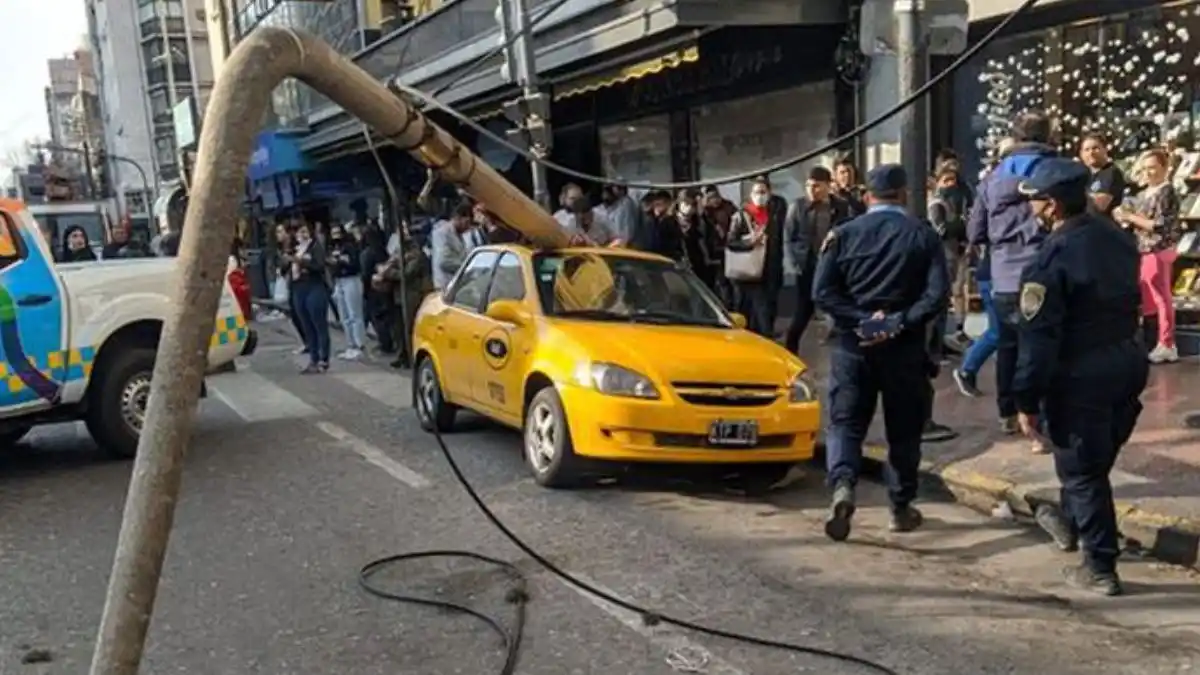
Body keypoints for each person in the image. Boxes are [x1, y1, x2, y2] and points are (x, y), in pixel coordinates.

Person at [1010, 158, 1147, 596]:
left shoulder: (1049, 259)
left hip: (1081, 371)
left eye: (1034, 200)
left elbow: (1038, 340)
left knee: (1083, 470)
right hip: (1127, 359)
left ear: (1051, 205)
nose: (1030, 208)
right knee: (1094, 459)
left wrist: (1025, 400)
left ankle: (1100, 565)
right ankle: (1071, 522)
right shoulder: (1116, 237)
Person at [813, 164, 949, 541]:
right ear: (903, 195)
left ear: (866, 196)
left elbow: (822, 293)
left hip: (852, 346)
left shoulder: (843, 234)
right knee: (903, 431)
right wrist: (895, 323)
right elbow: (936, 295)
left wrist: (863, 321)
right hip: (903, 347)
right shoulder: (922, 235)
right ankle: (900, 506)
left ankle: (843, 486)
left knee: (845, 423)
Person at [967, 110, 1057, 435]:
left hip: (1003, 277)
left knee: (1007, 346)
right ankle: (1037, 415)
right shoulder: (1055, 170)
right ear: (1047, 136)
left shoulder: (993, 177)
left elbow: (975, 231)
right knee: (1042, 346)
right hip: (1044, 272)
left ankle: (1007, 412)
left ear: (1016, 136)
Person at [1113, 148, 1181, 364]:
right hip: (1144, 248)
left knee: (1161, 296)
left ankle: (1167, 342)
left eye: (1153, 168)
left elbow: (1158, 225)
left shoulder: (1165, 192)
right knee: (1150, 296)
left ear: (1164, 168)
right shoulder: (1145, 193)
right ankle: (1155, 340)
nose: (1148, 173)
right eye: (1145, 168)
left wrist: (1130, 217)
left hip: (1158, 248)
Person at [783, 166, 852, 353]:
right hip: (806, 265)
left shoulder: (840, 206)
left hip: (832, 265)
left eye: (816, 186)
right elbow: (789, 237)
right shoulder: (797, 207)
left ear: (828, 186)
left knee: (836, 306)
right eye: (808, 186)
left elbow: (848, 232)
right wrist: (795, 262)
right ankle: (790, 348)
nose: (811, 190)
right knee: (803, 310)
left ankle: (841, 346)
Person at [726, 177, 786, 337]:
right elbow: (731, 242)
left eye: (763, 192)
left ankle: (765, 335)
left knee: (769, 308)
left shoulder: (774, 215)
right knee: (753, 311)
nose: (760, 196)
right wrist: (750, 242)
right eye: (757, 192)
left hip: (770, 269)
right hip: (748, 271)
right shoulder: (741, 216)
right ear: (751, 194)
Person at [283, 222, 332, 373]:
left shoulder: (315, 247)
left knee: (319, 323)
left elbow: (319, 265)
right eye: (299, 232)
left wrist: (302, 262)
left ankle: (324, 359)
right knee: (306, 324)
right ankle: (313, 358)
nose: (302, 235)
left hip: (314, 286)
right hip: (298, 288)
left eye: (305, 232)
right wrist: (287, 260)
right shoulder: (295, 249)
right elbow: (284, 268)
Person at [328, 222, 367, 360]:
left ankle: (359, 345)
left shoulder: (350, 246)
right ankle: (350, 344)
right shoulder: (333, 247)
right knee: (344, 315)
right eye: (333, 233)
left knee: (354, 314)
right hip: (339, 280)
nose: (336, 236)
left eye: (338, 233)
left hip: (351, 279)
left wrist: (342, 260)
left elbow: (355, 264)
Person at [1078, 133, 1127, 217]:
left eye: (1095, 148)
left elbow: (1101, 205)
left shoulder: (1111, 172)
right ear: (1081, 154)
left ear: (1105, 150)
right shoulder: (1083, 176)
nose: (1091, 153)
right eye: (1087, 150)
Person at [431, 201, 471, 290]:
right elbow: (444, 261)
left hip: (456, 285)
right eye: (466, 223)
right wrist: (466, 266)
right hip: (445, 285)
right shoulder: (442, 233)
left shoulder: (459, 235)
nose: (467, 227)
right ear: (457, 218)